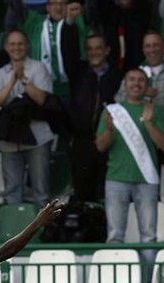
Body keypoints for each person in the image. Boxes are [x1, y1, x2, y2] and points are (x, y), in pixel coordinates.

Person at [96, 68, 164, 269]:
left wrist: (149, 124)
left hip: (147, 180)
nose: (136, 84)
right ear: (125, 84)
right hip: (116, 178)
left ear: (146, 86)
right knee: (114, 235)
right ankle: (115, 280)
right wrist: (110, 130)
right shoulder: (112, 111)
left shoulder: (156, 111)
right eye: (132, 80)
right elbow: (100, 146)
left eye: (140, 80)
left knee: (148, 236)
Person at [0, 29, 54, 207]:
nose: (16, 48)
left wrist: (24, 80)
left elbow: (42, 99)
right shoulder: (0, 73)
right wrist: (12, 80)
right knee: (12, 191)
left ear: (27, 46)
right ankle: (15, 232)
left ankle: (43, 232)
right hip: (10, 139)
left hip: (37, 136)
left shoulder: (38, 68)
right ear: (6, 47)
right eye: (12, 44)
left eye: (20, 44)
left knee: (41, 192)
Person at [66, 32, 122, 203]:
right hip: (82, 143)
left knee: (106, 196)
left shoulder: (118, 77)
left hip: (109, 143)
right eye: (89, 49)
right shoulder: (78, 73)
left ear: (107, 50)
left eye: (98, 48)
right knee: (82, 195)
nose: (94, 52)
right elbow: (67, 50)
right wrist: (69, 25)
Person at [19, 0, 86, 98]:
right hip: (40, 89)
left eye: (63, 3)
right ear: (47, 7)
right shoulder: (34, 22)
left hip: (70, 89)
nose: (58, 8)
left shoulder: (77, 22)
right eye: (54, 3)